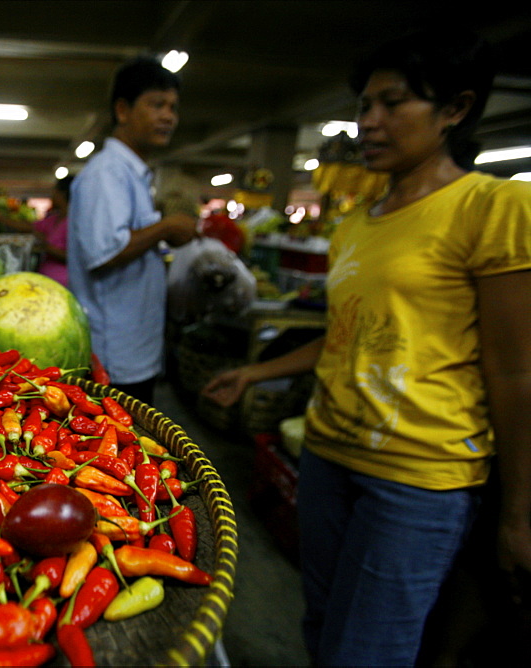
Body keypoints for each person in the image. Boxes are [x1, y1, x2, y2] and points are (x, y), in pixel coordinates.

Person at [202, 29, 531, 666]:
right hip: (328, 456)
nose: (368, 122)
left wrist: (519, 511)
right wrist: (255, 373)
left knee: (369, 652)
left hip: (418, 479)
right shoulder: (357, 223)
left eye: (392, 103)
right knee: (323, 627)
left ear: (455, 110)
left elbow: (515, 368)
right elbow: (348, 336)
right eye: (363, 105)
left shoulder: (492, 206)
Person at [67, 56, 199, 405]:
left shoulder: (133, 175)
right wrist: (167, 226)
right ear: (123, 110)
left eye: (173, 107)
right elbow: (106, 251)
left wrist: (160, 231)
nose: (169, 116)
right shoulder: (107, 173)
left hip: (134, 349)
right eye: (157, 105)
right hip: (114, 355)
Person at [34, 175, 72, 286]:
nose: (52, 195)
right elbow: (30, 226)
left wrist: (46, 247)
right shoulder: (54, 218)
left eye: (54, 191)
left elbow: (78, 257)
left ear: (62, 193)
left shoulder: (77, 222)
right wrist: (1, 218)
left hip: (66, 284)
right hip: (48, 282)